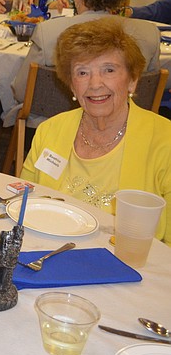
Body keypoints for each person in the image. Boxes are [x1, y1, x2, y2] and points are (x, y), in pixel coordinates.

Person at [21, 19, 171, 244]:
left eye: (109, 70)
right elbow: (24, 204)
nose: (95, 84)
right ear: (72, 85)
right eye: (82, 73)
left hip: (132, 267)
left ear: (132, 80)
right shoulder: (49, 131)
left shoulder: (164, 140)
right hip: (49, 253)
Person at [13, 0, 160, 104]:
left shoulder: (48, 32)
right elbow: (147, 95)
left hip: (53, 124)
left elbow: (21, 92)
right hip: (126, 124)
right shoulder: (149, 34)